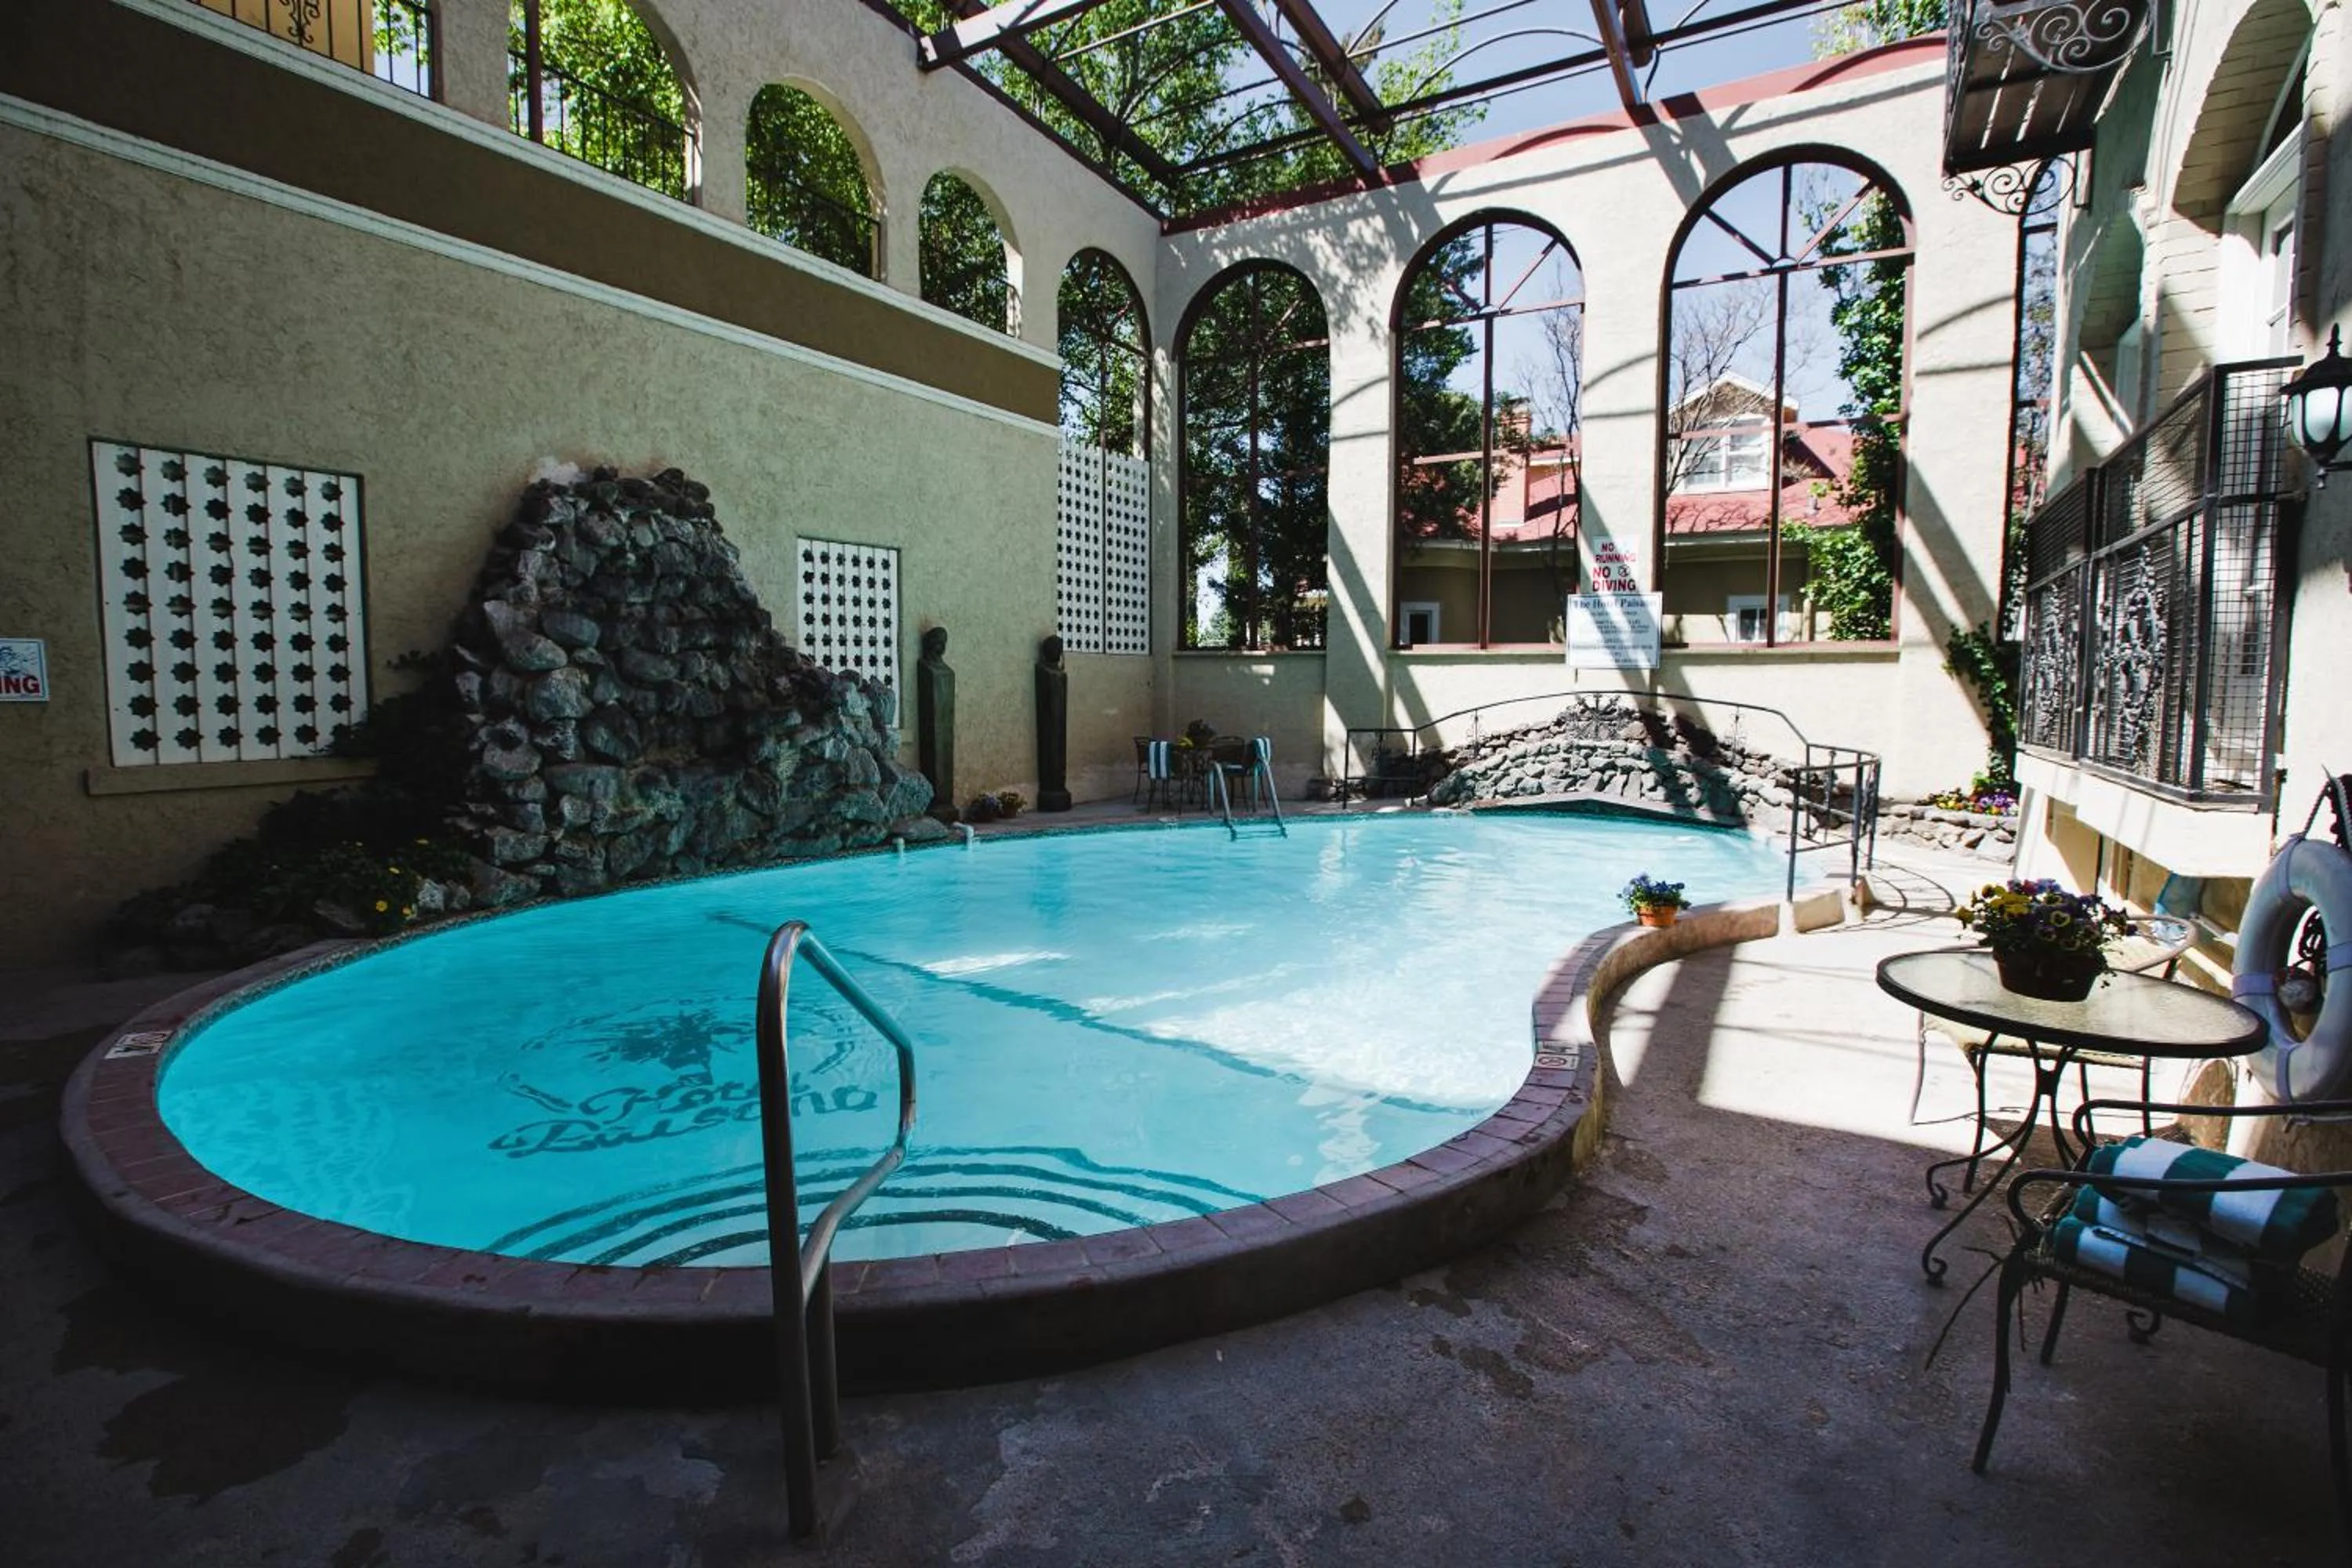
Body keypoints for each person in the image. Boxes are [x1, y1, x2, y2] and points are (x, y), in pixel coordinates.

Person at [916, 625, 957, 824]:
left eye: (943, 642)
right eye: (937, 642)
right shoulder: (926, 667)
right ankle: (937, 800)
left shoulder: (946, 670)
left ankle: (945, 799)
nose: (941, 646)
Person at [1034, 634, 1072, 812]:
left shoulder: (1059, 673)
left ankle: (1059, 784)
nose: (1059, 653)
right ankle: (1052, 786)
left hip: (1059, 723)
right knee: (1050, 753)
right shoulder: (1043, 671)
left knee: (1059, 752)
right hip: (1049, 724)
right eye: (1057, 649)